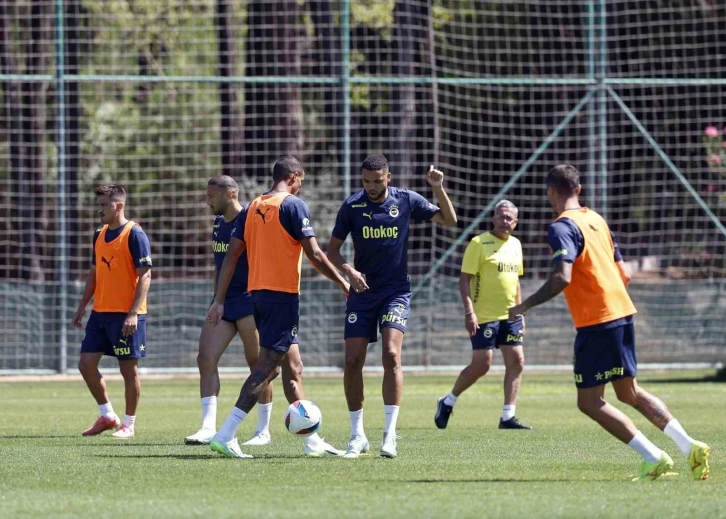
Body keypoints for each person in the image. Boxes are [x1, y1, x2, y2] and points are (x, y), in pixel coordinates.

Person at [508, 164, 711, 481]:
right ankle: (690, 446)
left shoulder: (561, 227)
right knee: (629, 393)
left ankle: (654, 457)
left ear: (551, 192)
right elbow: (624, 273)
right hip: (622, 312)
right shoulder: (596, 220)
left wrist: (525, 305)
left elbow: (562, 277)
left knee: (589, 402)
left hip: (598, 321)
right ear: (579, 189)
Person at [206, 156, 350, 458]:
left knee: (293, 367)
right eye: (301, 181)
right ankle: (226, 434)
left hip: (258, 296)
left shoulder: (253, 206)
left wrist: (219, 299)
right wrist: (342, 281)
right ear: (294, 177)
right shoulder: (293, 205)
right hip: (282, 297)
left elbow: (231, 255)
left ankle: (313, 441)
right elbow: (315, 253)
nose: (301, 187)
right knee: (268, 368)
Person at [327, 154, 457, 458]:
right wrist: (349, 271)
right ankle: (357, 435)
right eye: (366, 181)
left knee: (391, 354)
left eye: (377, 181)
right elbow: (332, 251)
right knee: (352, 361)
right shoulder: (352, 206)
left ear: (389, 177)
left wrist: (437, 188)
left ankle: (389, 435)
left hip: (395, 292)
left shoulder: (406, 200)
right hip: (362, 292)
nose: (371, 187)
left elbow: (449, 220)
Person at [184, 176, 275, 446]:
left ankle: (263, 430)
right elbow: (220, 266)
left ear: (230, 193)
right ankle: (207, 427)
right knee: (205, 358)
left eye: (211, 196)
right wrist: (217, 300)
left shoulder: (250, 219)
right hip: (224, 303)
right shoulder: (217, 224)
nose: (207, 201)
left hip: (249, 302)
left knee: (258, 366)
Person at [435, 200, 532, 431]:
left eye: (509, 218)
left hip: (510, 315)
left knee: (517, 361)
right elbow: (464, 280)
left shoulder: (516, 244)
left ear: (516, 222)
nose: (505, 221)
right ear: (493, 218)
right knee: (482, 364)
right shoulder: (478, 243)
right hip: (484, 316)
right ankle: (448, 401)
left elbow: (516, 281)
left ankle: (508, 416)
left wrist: (520, 311)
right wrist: (469, 311)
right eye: (501, 216)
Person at [71, 184, 153, 439]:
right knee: (86, 364)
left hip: (126, 314)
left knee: (128, 370)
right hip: (100, 313)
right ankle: (107, 415)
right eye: (99, 205)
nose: (100, 210)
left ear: (119, 206)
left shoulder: (134, 234)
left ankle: (129, 424)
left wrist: (133, 313)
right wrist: (83, 305)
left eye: (104, 205)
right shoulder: (99, 234)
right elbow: (94, 273)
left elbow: (145, 276)